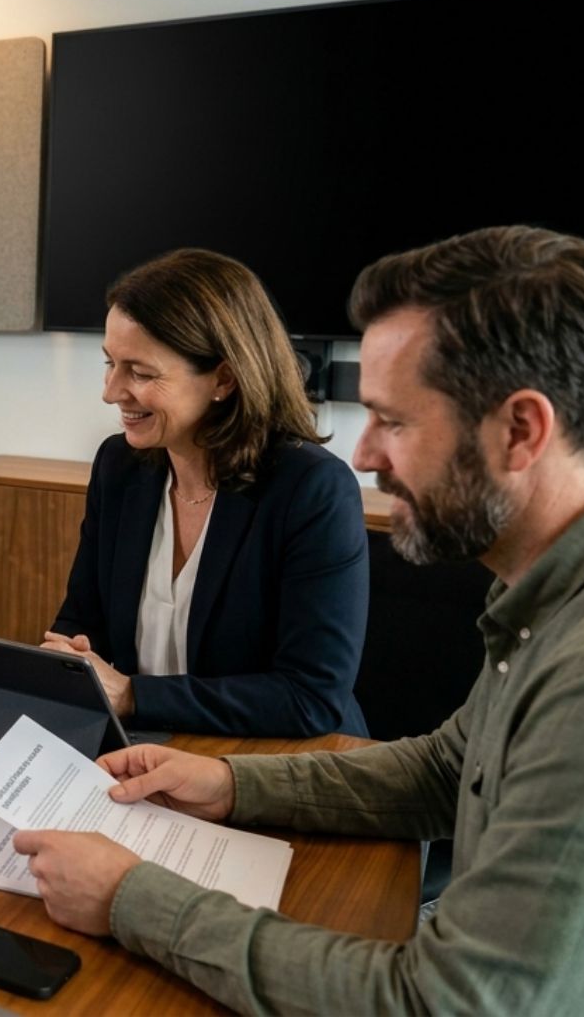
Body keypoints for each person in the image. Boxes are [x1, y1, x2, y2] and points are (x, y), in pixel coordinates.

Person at [13, 226, 584, 1012]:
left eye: (394, 421)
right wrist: (228, 782)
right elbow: (443, 769)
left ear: (521, 431)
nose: (364, 454)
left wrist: (134, 897)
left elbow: (443, 1002)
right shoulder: (558, 599)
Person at [45, 249, 369, 736]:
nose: (111, 391)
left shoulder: (312, 489)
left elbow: (309, 697)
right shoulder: (119, 466)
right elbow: (81, 625)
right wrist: (66, 662)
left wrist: (133, 694)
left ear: (224, 377)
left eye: (141, 372)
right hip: (142, 748)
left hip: (274, 763)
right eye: (110, 363)